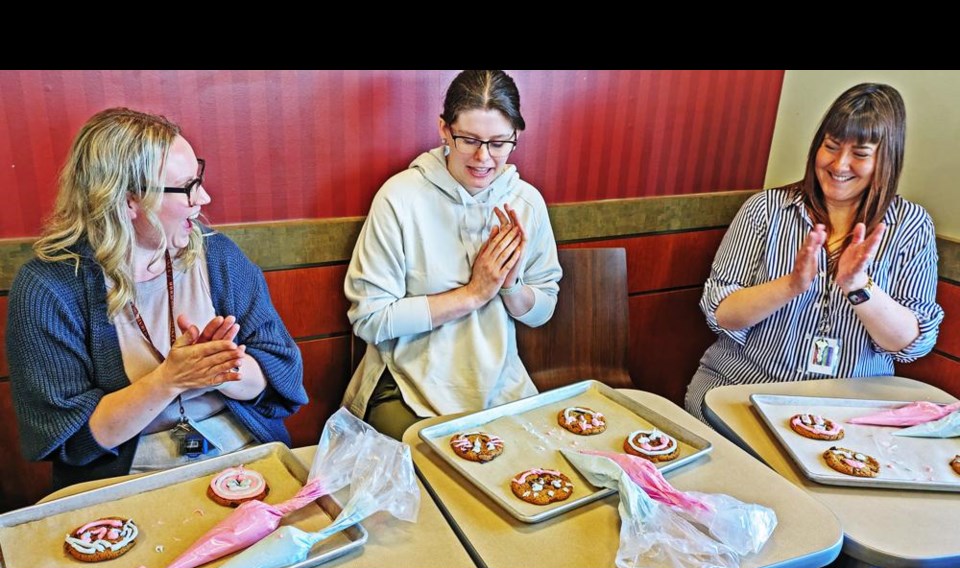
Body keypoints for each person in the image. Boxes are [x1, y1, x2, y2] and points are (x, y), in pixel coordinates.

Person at [7, 107, 307, 488]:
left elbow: (282, 374)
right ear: (128, 200)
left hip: (243, 449)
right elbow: (67, 439)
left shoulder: (219, 257)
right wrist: (168, 380)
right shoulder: (48, 288)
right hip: (129, 478)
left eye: (198, 178)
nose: (204, 197)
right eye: (186, 187)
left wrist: (221, 368)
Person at [685, 83, 943, 422]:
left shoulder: (910, 226)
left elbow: (911, 343)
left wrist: (858, 286)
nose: (840, 164)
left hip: (849, 412)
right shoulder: (766, 210)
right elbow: (720, 313)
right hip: (742, 391)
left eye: (861, 154)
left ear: (887, 159)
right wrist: (791, 285)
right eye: (831, 147)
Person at [343, 70, 562, 439]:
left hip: (499, 388)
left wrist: (510, 286)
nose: (483, 157)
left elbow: (544, 309)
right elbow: (370, 318)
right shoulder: (400, 198)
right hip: (403, 386)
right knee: (447, 479)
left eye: (498, 143)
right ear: (444, 130)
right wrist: (474, 293)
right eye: (469, 140)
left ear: (515, 138)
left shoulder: (526, 202)